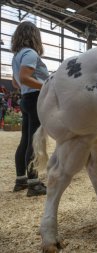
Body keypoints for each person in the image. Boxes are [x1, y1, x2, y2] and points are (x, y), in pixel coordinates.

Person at [11, 21, 49, 196]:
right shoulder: (31, 53)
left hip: (26, 98)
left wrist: (27, 86)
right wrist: (47, 86)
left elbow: (15, 82)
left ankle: (21, 180)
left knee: (25, 140)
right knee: (34, 141)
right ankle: (34, 183)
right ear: (34, 36)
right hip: (35, 98)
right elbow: (24, 77)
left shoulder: (17, 56)